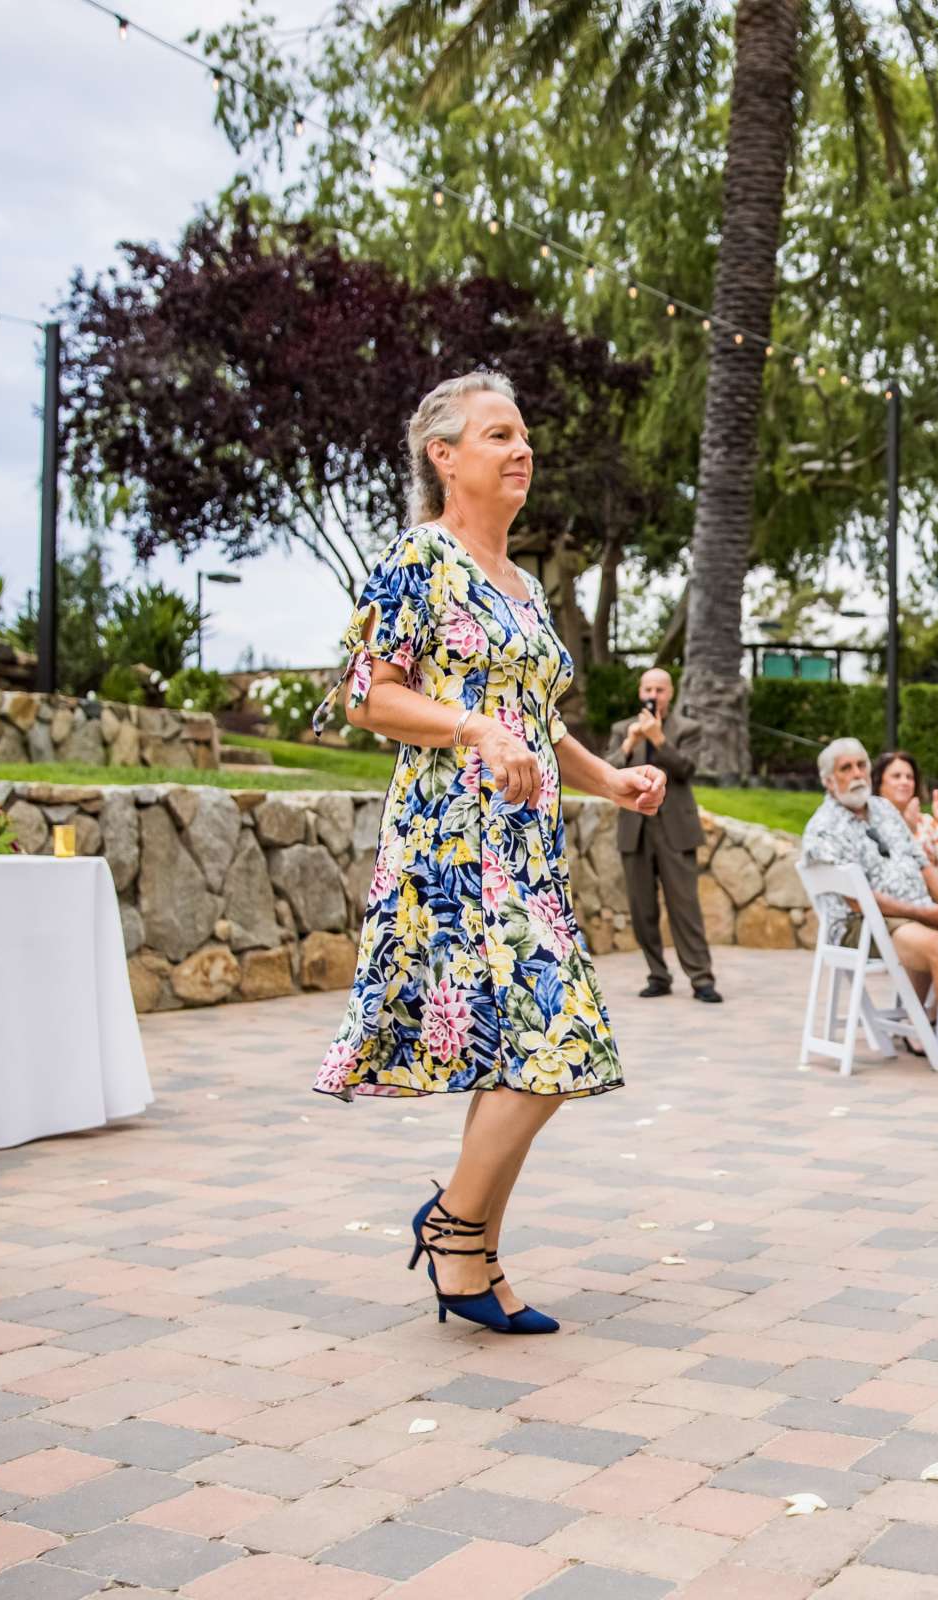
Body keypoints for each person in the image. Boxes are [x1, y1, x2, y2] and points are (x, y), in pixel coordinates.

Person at [313, 371, 666, 1336]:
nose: (522, 452)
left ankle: (472, 1261)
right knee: (558, 1041)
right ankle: (452, 1226)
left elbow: (539, 722)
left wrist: (614, 781)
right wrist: (472, 728)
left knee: (518, 1053)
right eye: (499, 435)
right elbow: (366, 696)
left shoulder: (521, 583)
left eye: (525, 438)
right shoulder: (419, 559)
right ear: (444, 456)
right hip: (450, 845)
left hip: (526, 850)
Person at [802, 738, 938, 1086]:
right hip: (862, 924)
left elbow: (924, 867)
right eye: (846, 768)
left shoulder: (884, 810)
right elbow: (861, 900)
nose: (857, 774)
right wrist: (928, 916)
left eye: (861, 765)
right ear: (829, 781)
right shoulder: (823, 828)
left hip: (919, 913)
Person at [608, 667, 720, 1004]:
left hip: (675, 830)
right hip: (635, 829)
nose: (653, 695)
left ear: (669, 694)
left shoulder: (688, 729)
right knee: (642, 911)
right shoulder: (621, 729)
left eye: (659, 689)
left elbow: (687, 769)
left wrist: (658, 739)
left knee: (685, 907)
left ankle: (702, 979)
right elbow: (608, 772)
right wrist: (630, 742)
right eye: (648, 688)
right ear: (639, 691)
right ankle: (658, 975)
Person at [874, 748, 938, 865]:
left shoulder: (925, 822)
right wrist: (909, 828)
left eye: (910, 777)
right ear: (879, 782)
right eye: (896, 776)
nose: (905, 781)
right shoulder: (869, 821)